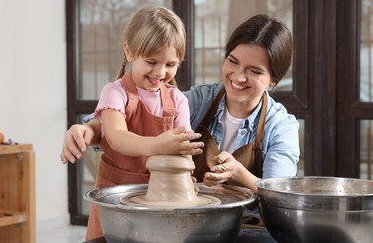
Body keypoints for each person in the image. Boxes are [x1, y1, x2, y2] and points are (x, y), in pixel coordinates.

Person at [62, 13, 299, 225]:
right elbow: (128, 118)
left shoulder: (281, 126)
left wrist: (238, 173)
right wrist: (88, 130)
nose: (238, 76)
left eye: (254, 71)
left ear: (273, 80)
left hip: (251, 230)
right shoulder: (199, 100)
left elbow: (280, 200)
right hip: (193, 224)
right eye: (233, 62)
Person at [66, 6, 205, 240]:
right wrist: (159, 145)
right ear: (129, 52)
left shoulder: (178, 100)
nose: (160, 72)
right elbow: (116, 136)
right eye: (151, 61)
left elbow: (185, 151)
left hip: (158, 201)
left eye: (170, 64)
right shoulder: (115, 92)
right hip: (114, 200)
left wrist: (188, 173)